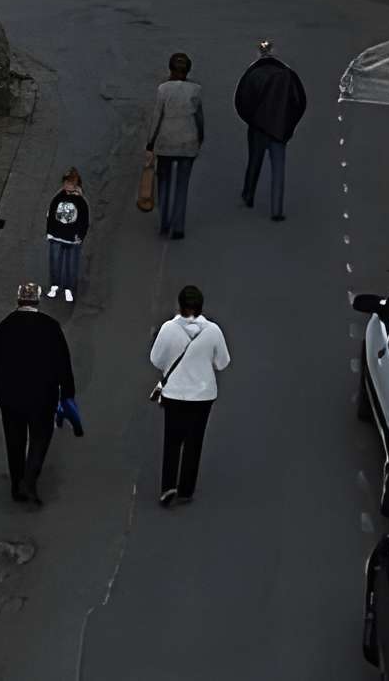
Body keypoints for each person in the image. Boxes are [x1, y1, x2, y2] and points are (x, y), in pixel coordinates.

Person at [0, 282, 75, 505]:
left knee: (14, 440)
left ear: (18, 300)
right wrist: (67, 391)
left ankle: (16, 484)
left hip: (11, 397)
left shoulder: (5, 327)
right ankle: (30, 479)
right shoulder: (50, 326)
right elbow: (63, 361)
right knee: (40, 438)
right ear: (37, 301)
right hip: (43, 396)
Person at [148, 285, 230, 507]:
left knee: (172, 441)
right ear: (201, 307)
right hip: (203, 395)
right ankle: (186, 489)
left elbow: (155, 359)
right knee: (195, 442)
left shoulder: (168, 329)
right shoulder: (213, 331)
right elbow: (223, 362)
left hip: (174, 393)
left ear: (180, 305)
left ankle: (168, 487)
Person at [232, 40, 309, 220]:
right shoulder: (288, 75)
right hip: (280, 128)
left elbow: (241, 100)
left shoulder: (253, 74)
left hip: (257, 128)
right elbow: (300, 103)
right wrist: (289, 124)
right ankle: (277, 209)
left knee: (254, 162)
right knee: (278, 168)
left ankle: (248, 195)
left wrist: (251, 120)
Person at [146, 52, 204, 239]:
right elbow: (199, 117)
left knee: (164, 182)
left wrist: (150, 142)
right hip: (188, 143)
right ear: (188, 70)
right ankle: (179, 227)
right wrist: (200, 137)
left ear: (170, 69)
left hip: (166, 142)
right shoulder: (196, 90)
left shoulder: (163, 89)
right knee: (182, 186)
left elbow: (156, 117)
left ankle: (164, 222)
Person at [42, 170, 89, 302]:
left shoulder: (81, 202)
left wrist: (80, 236)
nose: (67, 185)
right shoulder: (58, 197)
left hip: (72, 239)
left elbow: (84, 221)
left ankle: (69, 288)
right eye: (66, 182)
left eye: (70, 183)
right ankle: (55, 286)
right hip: (56, 236)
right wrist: (49, 232)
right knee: (55, 262)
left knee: (71, 264)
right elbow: (50, 215)